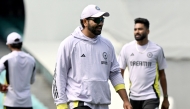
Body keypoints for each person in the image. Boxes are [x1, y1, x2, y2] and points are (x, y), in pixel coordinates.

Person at [52, 4, 132, 109]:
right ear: (85, 22)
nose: (101, 23)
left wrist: (125, 100)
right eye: (97, 20)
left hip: (103, 104)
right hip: (80, 103)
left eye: (102, 19)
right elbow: (59, 76)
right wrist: (61, 105)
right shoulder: (69, 43)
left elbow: (115, 73)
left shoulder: (107, 45)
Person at [118, 18, 170, 109]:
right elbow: (119, 74)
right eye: (135, 29)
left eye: (140, 29)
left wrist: (165, 98)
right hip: (133, 97)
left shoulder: (157, 49)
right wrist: (125, 99)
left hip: (151, 96)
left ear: (148, 31)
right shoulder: (126, 48)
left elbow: (162, 75)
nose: (137, 32)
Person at [0, 32, 36, 109]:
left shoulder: (6, 59)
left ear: (9, 45)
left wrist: (0, 86)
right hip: (27, 103)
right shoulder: (31, 60)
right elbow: (32, 81)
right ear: (21, 43)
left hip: (11, 102)